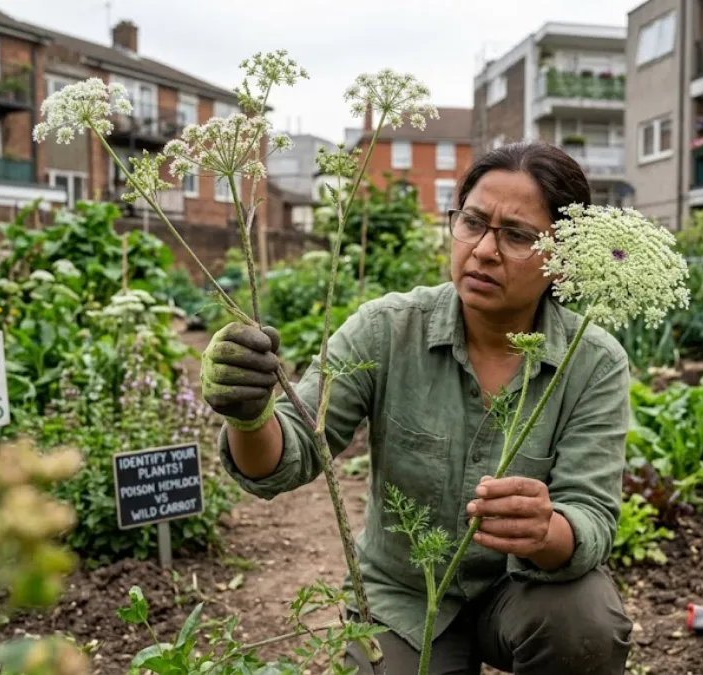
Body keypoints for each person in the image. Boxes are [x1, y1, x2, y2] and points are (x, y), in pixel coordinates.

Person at [200, 142, 633, 675]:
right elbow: (293, 453)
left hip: (525, 588)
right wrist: (249, 415)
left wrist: (547, 532)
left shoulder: (592, 362)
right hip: (403, 599)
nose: (484, 250)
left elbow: (591, 515)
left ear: (563, 258)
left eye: (517, 236)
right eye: (472, 222)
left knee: (586, 622)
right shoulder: (387, 330)